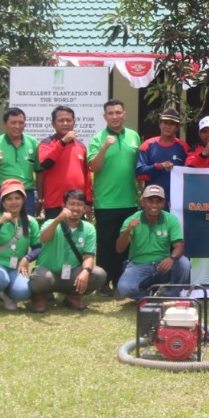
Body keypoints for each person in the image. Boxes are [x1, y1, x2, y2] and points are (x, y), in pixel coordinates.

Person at [88, 99, 142, 292]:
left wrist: (142, 192)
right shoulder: (97, 138)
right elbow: (94, 166)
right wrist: (104, 147)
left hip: (129, 201)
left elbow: (139, 168)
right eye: (110, 113)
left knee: (126, 244)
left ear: (124, 114)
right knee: (106, 244)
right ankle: (103, 282)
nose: (114, 116)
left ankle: (121, 281)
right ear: (105, 116)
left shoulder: (134, 137)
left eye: (118, 112)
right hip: (106, 202)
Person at [28, 190, 107, 311]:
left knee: (99, 274)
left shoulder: (89, 228)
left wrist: (85, 271)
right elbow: (43, 239)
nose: (76, 208)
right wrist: (58, 219)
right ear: (64, 206)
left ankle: (72, 298)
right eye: (72, 204)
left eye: (80, 204)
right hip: (49, 274)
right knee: (40, 279)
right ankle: (39, 297)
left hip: (71, 274)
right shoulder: (50, 223)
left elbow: (88, 256)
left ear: (85, 208)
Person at [115, 185, 192, 299]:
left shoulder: (171, 219)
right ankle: (149, 296)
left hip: (162, 265)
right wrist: (128, 230)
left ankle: (172, 294)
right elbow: (119, 248)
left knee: (184, 263)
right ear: (143, 201)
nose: (154, 205)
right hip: (138, 265)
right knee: (124, 289)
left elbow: (179, 246)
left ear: (164, 203)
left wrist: (171, 258)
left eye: (158, 201)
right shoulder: (132, 220)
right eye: (150, 201)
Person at [0, 179, 41, 313]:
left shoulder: (31, 222)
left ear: (23, 200)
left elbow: (38, 248)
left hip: (14, 267)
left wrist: (27, 258)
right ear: (3, 201)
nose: (14, 202)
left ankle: (5, 293)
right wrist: (0, 223)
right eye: (9, 199)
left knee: (23, 292)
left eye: (17, 198)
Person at [0, 107, 40, 217]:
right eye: (13, 123)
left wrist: (41, 199)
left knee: (26, 230)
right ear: (4, 124)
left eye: (21, 123)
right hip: (1, 192)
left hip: (26, 193)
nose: (17, 126)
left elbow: (40, 172)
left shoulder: (33, 143)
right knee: (1, 228)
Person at [38, 105, 89, 222]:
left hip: (78, 203)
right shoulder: (46, 144)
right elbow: (46, 163)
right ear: (53, 124)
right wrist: (63, 141)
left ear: (74, 122)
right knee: (55, 237)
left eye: (69, 120)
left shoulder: (81, 147)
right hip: (55, 203)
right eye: (61, 120)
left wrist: (89, 201)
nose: (65, 123)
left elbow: (86, 176)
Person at [135, 107, 190, 202]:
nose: (168, 126)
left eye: (172, 123)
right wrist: (158, 166)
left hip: (177, 202)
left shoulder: (183, 147)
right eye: (165, 122)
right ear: (159, 124)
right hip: (153, 203)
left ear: (177, 127)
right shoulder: (147, 145)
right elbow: (140, 174)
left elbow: (190, 175)